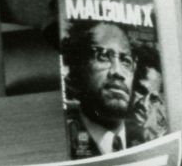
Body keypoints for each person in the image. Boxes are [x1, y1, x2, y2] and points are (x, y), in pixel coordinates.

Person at [61, 20, 151, 156]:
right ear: (78, 66)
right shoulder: (65, 141)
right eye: (102, 56)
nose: (117, 72)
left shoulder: (147, 140)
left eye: (126, 60)